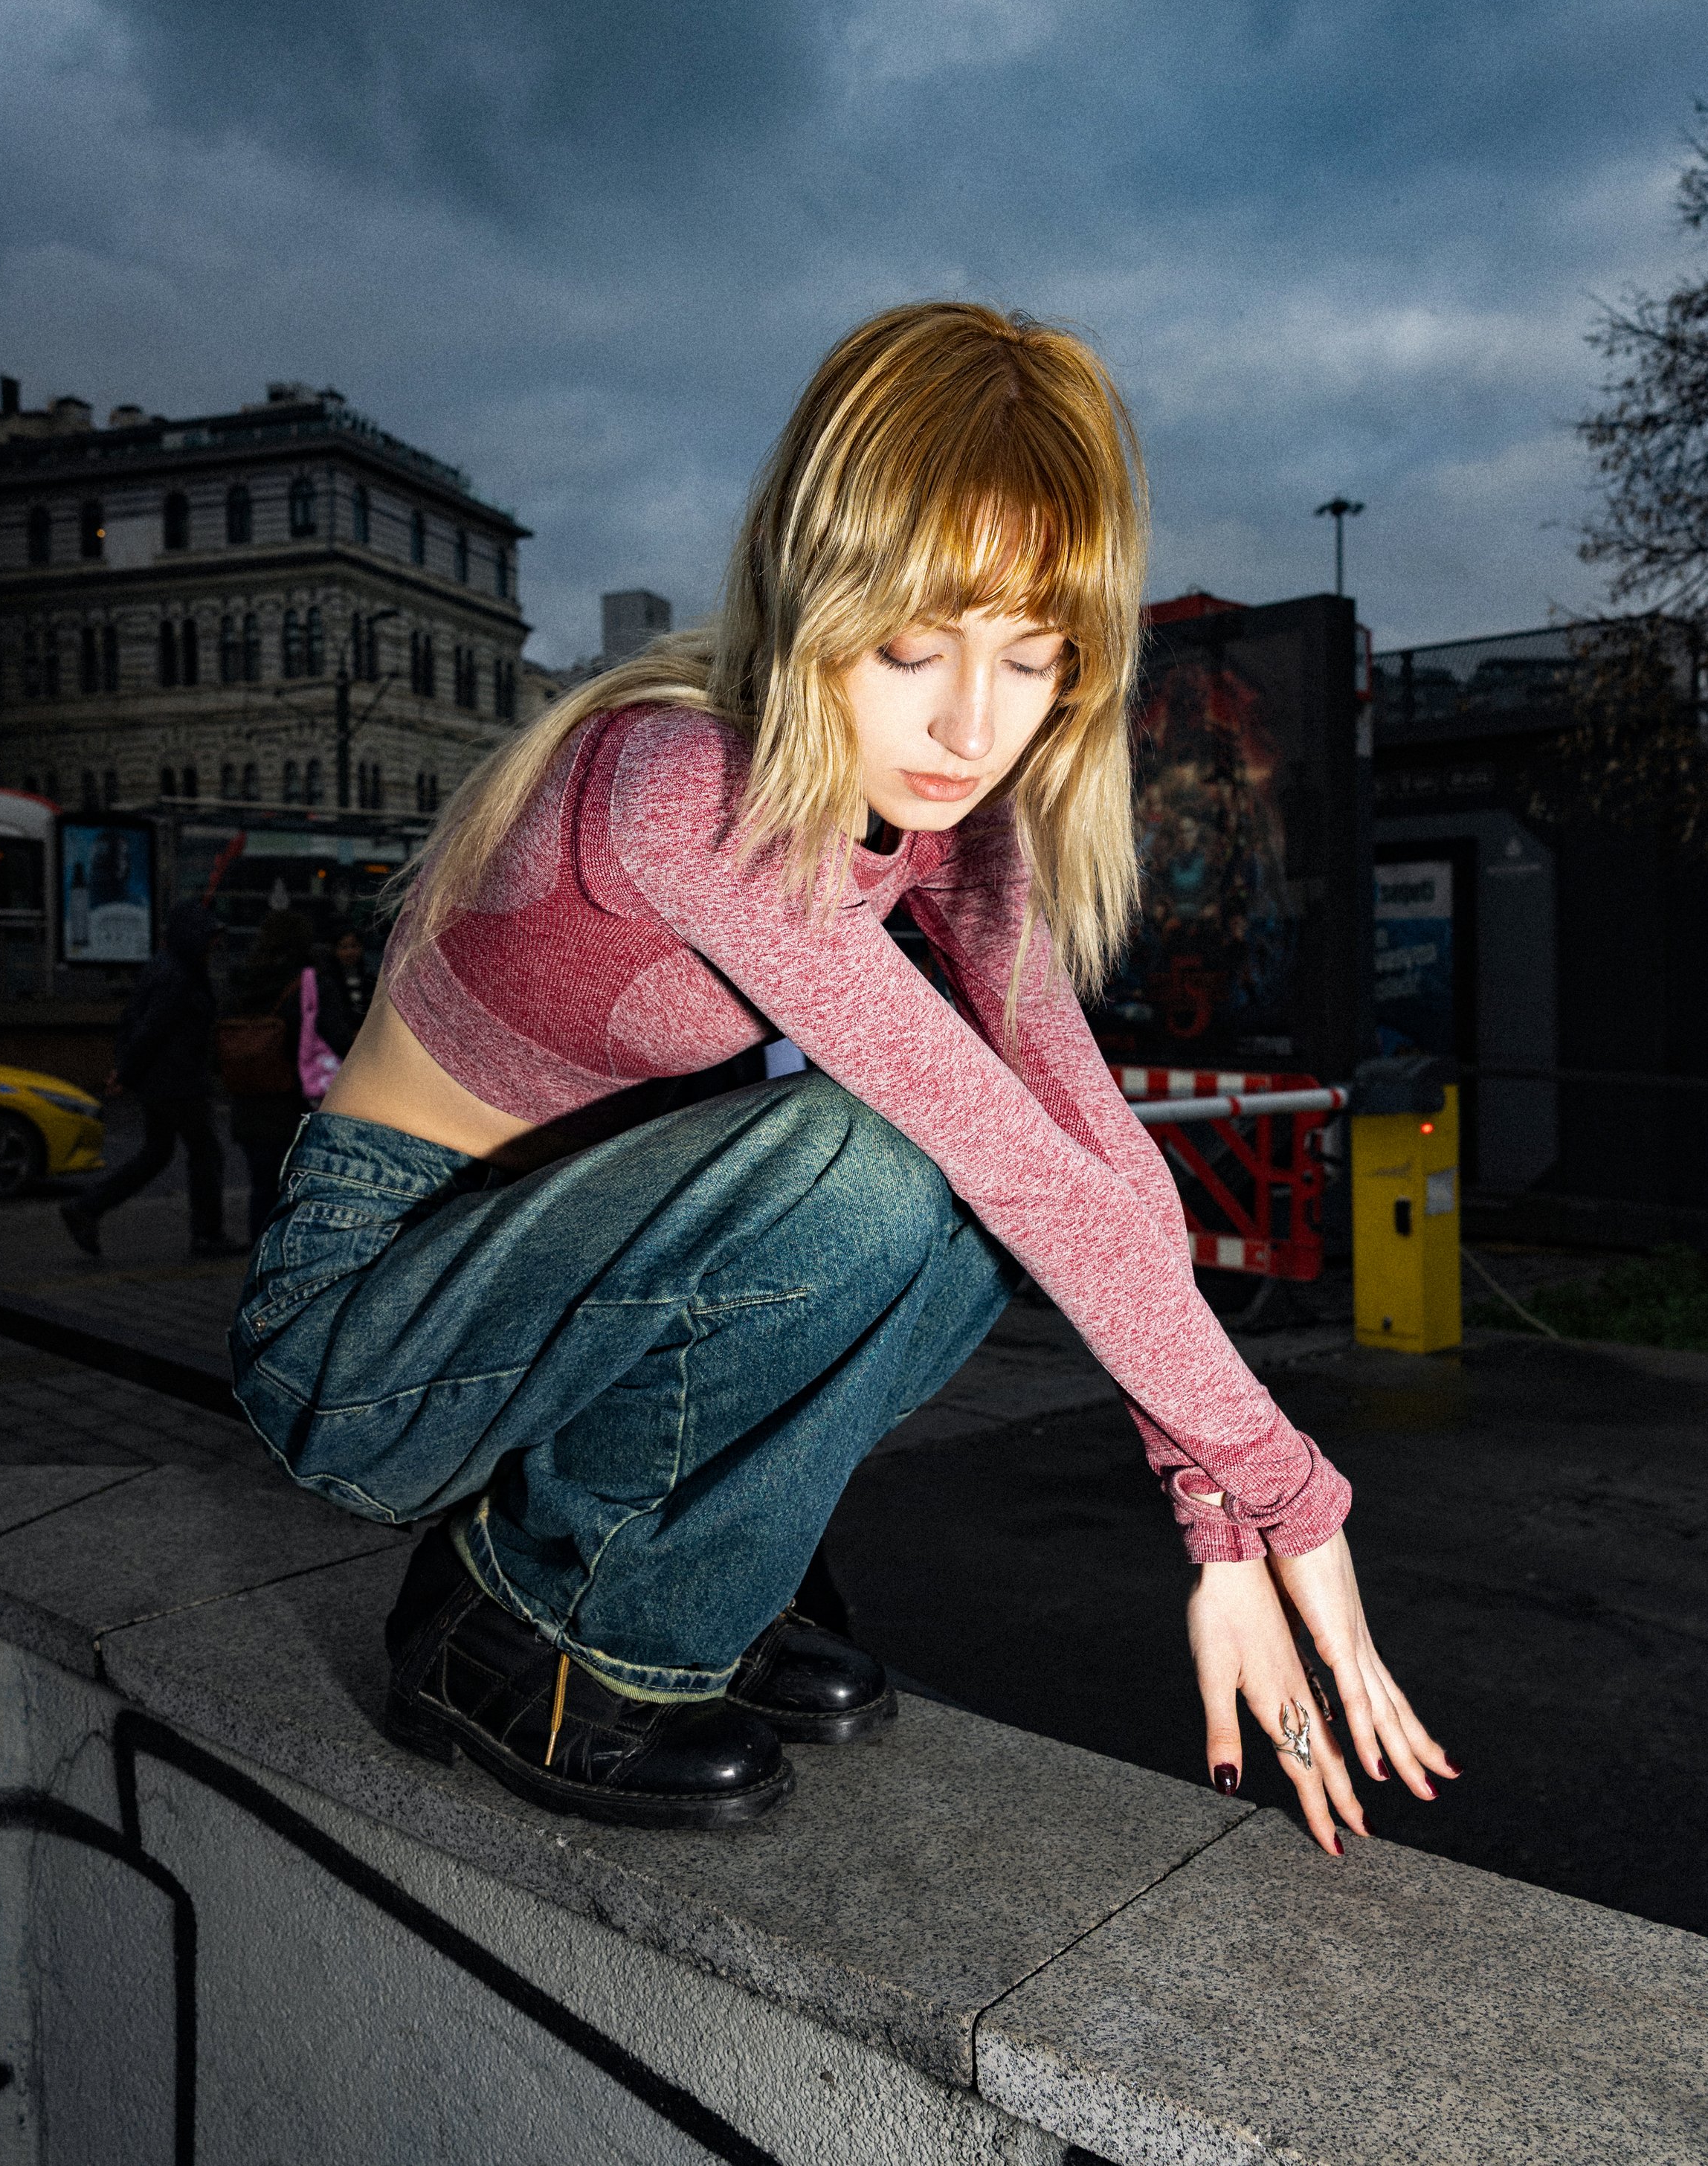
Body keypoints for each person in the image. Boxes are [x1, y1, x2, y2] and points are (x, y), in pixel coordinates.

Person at [231, 301, 1456, 1840]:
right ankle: (520, 1622)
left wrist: (1216, 1515)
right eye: (907, 647)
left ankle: (689, 1588)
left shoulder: (950, 816)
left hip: (561, 1278)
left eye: (1032, 660)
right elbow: (999, 1147)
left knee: (957, 1224)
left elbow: (1088, 1155)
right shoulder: (683, 781)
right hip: (369, 1325)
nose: (968, 722)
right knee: (867, 1160)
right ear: (809, 595)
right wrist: (1291, 1491)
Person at [61, 900, 242, 1260]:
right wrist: (126, 1072)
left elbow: (135, 1022)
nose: (214, 945)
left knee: (157, 1153)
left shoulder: (167, 968)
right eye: (209, 937)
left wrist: (127, 1070)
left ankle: (88, 1207)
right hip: (176, 1081)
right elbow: (151, 1028)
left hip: (162, 1080)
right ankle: (207, 1235)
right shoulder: (180, 975)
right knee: (205, 1153)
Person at [227, 909, 357, 1244]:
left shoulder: (243, 977)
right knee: (297, 1182)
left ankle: (257, 1252)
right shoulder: (310, 979)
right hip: (293, 1095)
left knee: (261, 1183)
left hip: (247, 1092)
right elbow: (337, 1034)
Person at [327, 925, 376, 1040]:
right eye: (344, 947)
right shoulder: (328, 980)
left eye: (354, 946)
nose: (350, 952)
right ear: (335, 950)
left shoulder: (370, 978)